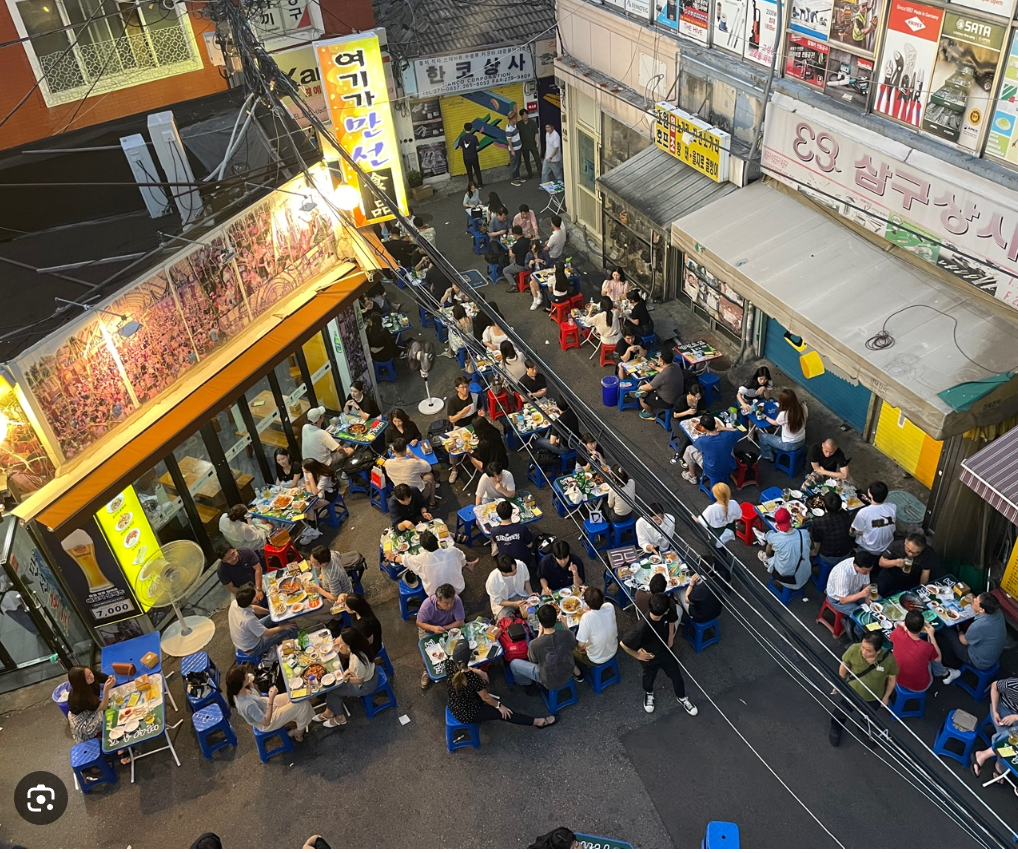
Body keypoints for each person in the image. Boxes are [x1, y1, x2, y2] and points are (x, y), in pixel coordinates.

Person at [446, 639, 556, 728]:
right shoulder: (473, 679)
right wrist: (499, 706)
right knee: (504, 713)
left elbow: (463, 669)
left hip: (455, 704)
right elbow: (486, 698)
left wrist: (477, 670)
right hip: (468, 713)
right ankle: (538, 722)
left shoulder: (449, 664)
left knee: (490, 701)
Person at [621, 592, 698, 716]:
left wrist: (671, 636)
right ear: (664, 611)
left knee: (677, 677)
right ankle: (649, 693)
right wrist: (638, 655)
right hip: (650, 657)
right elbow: (624, 644)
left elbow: (672, 619)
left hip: (666, 653)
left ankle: (682, 697)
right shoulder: (642, 627)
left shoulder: (667, 612)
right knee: (648, 679)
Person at [829, 630, 897, 747]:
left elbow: (892, 678)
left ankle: (863, 729)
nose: (864, 652)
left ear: (878, 651)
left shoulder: (888, 660)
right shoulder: (854, 649)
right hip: (851, 691)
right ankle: (836, 728)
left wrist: (886, 697)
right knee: (841, 712)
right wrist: (839, 683)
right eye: (863, 647)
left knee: (867, 717)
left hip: (873, 697)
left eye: (869, 650)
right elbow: (844, 665)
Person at [311, 628, 382, 728]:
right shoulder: (360, 646)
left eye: (341, 644)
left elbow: (359, 680)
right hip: (369, 673)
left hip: (366, 684)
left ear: (349, 645)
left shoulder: (358, 661)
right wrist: (347, 671)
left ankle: (340, 718)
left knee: (333, 690)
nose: (339, 646)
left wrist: (345, 679)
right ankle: (329, 711)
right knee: (334, 686)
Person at [226, 663, 315, 741]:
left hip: (264, 704)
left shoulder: (237, 691)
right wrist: (271, 699)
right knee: (303, 705)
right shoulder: (248, 705)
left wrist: (250, 684)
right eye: (245, 675)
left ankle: (299, 720)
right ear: (241, 683)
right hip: (268, 720)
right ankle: (298, 732)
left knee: (297, 696)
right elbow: (266, 722)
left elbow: (254, 695)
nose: (247, 674)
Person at [932, 592, 1007, 684]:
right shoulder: (996, 611)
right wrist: (973, 602)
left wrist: (960, 632)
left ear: (982, 610)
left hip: (978, 660)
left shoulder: (980, 625)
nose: (974, 600)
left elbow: (964, 641)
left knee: (946, 630)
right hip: (993, 654)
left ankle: (949, 665)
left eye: (976, 601)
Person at [510, 603, 580, 694]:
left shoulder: (534, 644)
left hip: (549, 680)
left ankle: (527, 684)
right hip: (568, 671)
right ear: (556, 619)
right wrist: (566, 626)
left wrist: (539, 633)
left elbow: (533, 660)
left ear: (540, 622)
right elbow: (573, 645)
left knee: (514, 664)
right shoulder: (567, 634)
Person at [393, 530, 475, 594]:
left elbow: (405, 559)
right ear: (437, 541)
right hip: (458, 588)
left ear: (424, 547)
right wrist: (464, 563)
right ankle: (469, 564)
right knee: (457, 562)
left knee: (418, 571)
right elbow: (462, 559)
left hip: (435, 594)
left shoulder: (420, 559)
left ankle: (469, 564)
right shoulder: (452, 550)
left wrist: (393, 558)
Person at [228, 583, 297, 658]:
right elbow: (267, 633)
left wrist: (270, 612)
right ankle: (299, 647)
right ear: (251, 601)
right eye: (255, 596)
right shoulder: (248, 619)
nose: (257, 596)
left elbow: (253, 608)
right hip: (253, 648)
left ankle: (292, 641)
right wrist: (283, 627)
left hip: (247, 636)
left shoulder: (235, 603)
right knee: (291, 626)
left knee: (276, 617)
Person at [416, 583, 466, 688]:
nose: (450, 605)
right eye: (446, 603)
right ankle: (427, 671)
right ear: (438, 601)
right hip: (430, 629)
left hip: (448, 627)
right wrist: (434, 628)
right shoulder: (427, 605)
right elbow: (419, 623)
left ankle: (461, 668)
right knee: (429, 653)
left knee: (462, 646)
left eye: (451, 601)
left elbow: (460, 622)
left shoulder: (456, 600)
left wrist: (445, 628)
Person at [971, 678, 1018, 780]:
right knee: (1009, 740)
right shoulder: (1013, 684)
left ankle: (986, 755)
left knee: (1008, 738)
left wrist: (1015, 717)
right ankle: (1000, 767)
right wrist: (995, 711)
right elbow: (994, 686)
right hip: (1003, 708)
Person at [825, 553, 876, 639]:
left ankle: (858, 625)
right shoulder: (843, 574)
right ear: (856, 566)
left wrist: (868, 601)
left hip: (856, 592)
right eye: (865, 571)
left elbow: (866, 584)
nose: (867, 573)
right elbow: (843, 600)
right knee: (862, 615)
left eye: (869, 571)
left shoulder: (864, 566)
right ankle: (857, 634)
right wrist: (861, 594)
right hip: (838, 600)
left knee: (878, 601)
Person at [759, 508, 812, 590]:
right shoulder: (804, 534)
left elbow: (769, 552)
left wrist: (768, 554)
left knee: (773, 553)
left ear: (777, 525)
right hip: (804, 575)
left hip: (784, 577)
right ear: (790, 521)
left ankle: (766, 560)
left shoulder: (774, 538)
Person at [681, 414, 742, 485]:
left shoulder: (703, 441)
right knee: (729, 447)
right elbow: (738, 431)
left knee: (689, 449)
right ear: (715, 424)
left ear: (704, 428)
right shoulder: (728, 435)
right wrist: (723, 428)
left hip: (712, 470)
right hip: (730, 466)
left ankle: (692, 476)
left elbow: (696, 445)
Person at [889, 611, 941, 692]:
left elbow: (893, 635)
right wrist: (931, 635)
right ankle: (944, 673)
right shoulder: (926, 647)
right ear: (922, 627)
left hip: (895, 676)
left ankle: (944, 673)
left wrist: (904, 626)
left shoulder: (897, 633)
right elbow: (938, 659)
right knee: (932, 658)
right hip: (919, 686)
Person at [877, 532, 942, 597]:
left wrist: (920, 590)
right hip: (890, 576)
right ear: (905, 542)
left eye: (916, 553)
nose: (910, 554)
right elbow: (881, 562)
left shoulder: (928, 554)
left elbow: (925, 574)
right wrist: (896, 562)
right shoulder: (896, 546)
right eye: (908, 550)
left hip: (910, 580)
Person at [66, 666, 118, 745]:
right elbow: (102, 707)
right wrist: (106, 690)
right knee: (108, 715)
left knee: (111, 704)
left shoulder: (90, 675)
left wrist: (110, 679)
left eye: (90, 672)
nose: (91, 676)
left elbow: (103, 677)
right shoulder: (81, 697)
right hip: (84, 723)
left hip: (91, 709)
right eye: (87, 677)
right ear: (81, 682)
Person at [758, 389, 808, 462]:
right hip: (802, 440)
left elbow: (775, 423)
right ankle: (776, 449)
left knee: (763, 437)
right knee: (778, 431)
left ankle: (768, 456)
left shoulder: (784, 414)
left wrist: (765, 417)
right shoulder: (803, 407)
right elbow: (805, 418)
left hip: (789, 445)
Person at [574, 586, 618, 669]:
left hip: (596, 659)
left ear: (587, 604)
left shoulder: (586, 618)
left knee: (570, 648)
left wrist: (579, 650)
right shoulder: (610, 607)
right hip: (613, 649)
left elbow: (580, 645)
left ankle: (577, 672)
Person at [850, 481, 896, 557]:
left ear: (869, 494)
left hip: (869, 548)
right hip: (888, 544)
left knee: (853, 531)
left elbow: (858, 531)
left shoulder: (863, 512)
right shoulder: (892, 507)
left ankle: (856, 552)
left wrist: (852, 531)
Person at [387, 437, 436, 505]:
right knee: (429, 475)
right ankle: (432, 502)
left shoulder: (387, 463)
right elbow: (428, 467)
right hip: (417, 495)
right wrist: (414, 456)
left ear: (393, 451)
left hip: (401, 494)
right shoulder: (412, 463)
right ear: (405, 451)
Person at [810, 492, 855, 565]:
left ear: (824, 505)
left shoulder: (819, 521)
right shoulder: (846, 515)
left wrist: (815, 552)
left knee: (810, 535)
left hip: (829, 557)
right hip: (846, 553)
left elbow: (817, 541)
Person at [638, 349, 684, 419]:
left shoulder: (662, 376)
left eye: (659, 359)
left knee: (641, 395)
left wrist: (640, 388)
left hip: (668, 401)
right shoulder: (676, 365)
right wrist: (655, 367)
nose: (658, 360)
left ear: (662, 362)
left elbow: (649, 387)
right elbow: (665, 370)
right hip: (679, 395)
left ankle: (649, 413)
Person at [486, 553, 533, 619]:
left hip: (520, 595)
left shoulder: (521, 565)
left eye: (515, 568)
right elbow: (499, 601)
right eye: (512, 571)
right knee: (506, 620)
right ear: (503, 572)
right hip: (504, 603)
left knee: (534, 609)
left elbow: (526, 581)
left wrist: (531, 594)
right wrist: (515, 603)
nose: (515, 571)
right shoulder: (493, 580)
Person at [491, 499, 535, 567]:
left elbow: (496, 543)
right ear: (512, 512)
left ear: (498, 514)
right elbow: (530, 545)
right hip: (522, 561)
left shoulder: (494, 531)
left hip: (505, 563)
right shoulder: (522, 529)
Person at [302, 458, 338, 538]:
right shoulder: (307, 471)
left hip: (329, 493)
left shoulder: (324, 474)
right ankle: (313, 528)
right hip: (319, 491)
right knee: (307, 506)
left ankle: (313, 529)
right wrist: (310, 495)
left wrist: (311, 478)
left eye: (306, 471)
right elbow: (307, 484)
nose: (304, 471)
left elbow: (315, 492)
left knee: (308, 507)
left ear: (312, 470)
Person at [344, 593, 383, 659]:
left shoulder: (365, 625)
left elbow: (369, 643)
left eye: (346, 605)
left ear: (353, 610)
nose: (344, 606)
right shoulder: (362, 609)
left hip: (371, 648)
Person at [502, 226, 532, 290]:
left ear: (515, 235)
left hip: (521, 266)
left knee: (505, 270)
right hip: (529, 263)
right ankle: (515, 275)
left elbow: (512, 255)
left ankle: (514, 285)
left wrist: (509, 248)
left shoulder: (517, 245)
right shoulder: (528, 241)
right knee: (512, 261)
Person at [518, 109, 542, 179]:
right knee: (526, 160)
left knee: (537, 159)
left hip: (532, 144)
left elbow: (536, 133)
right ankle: (530, 173)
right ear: (521, 116)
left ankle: (540, 172)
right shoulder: (519, 124)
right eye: (523, 115)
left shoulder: (533, 123)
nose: (525, 116)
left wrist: (538, 142)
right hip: (524, 145)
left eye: (526, 115)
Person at [459, 122, 482, 187]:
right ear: (471, 129)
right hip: (474, 156)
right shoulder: (474, 137)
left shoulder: (462, 138)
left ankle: (472, 186)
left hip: (466, 157)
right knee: (477, 170)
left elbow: (460, 147)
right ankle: (480, 184)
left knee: (469, 171)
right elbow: (477, 146)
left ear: (464, 129)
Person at [506, 115, 523, 185]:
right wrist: (512, 150)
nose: (516, 119)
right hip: (514, 149)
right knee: (514, 165)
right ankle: (513, 179)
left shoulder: (515, 125)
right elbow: (509, 140)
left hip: (519, 147)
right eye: (515, 118)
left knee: (518, 163)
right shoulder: (509, 129)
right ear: (511, 119)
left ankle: (517, 177)